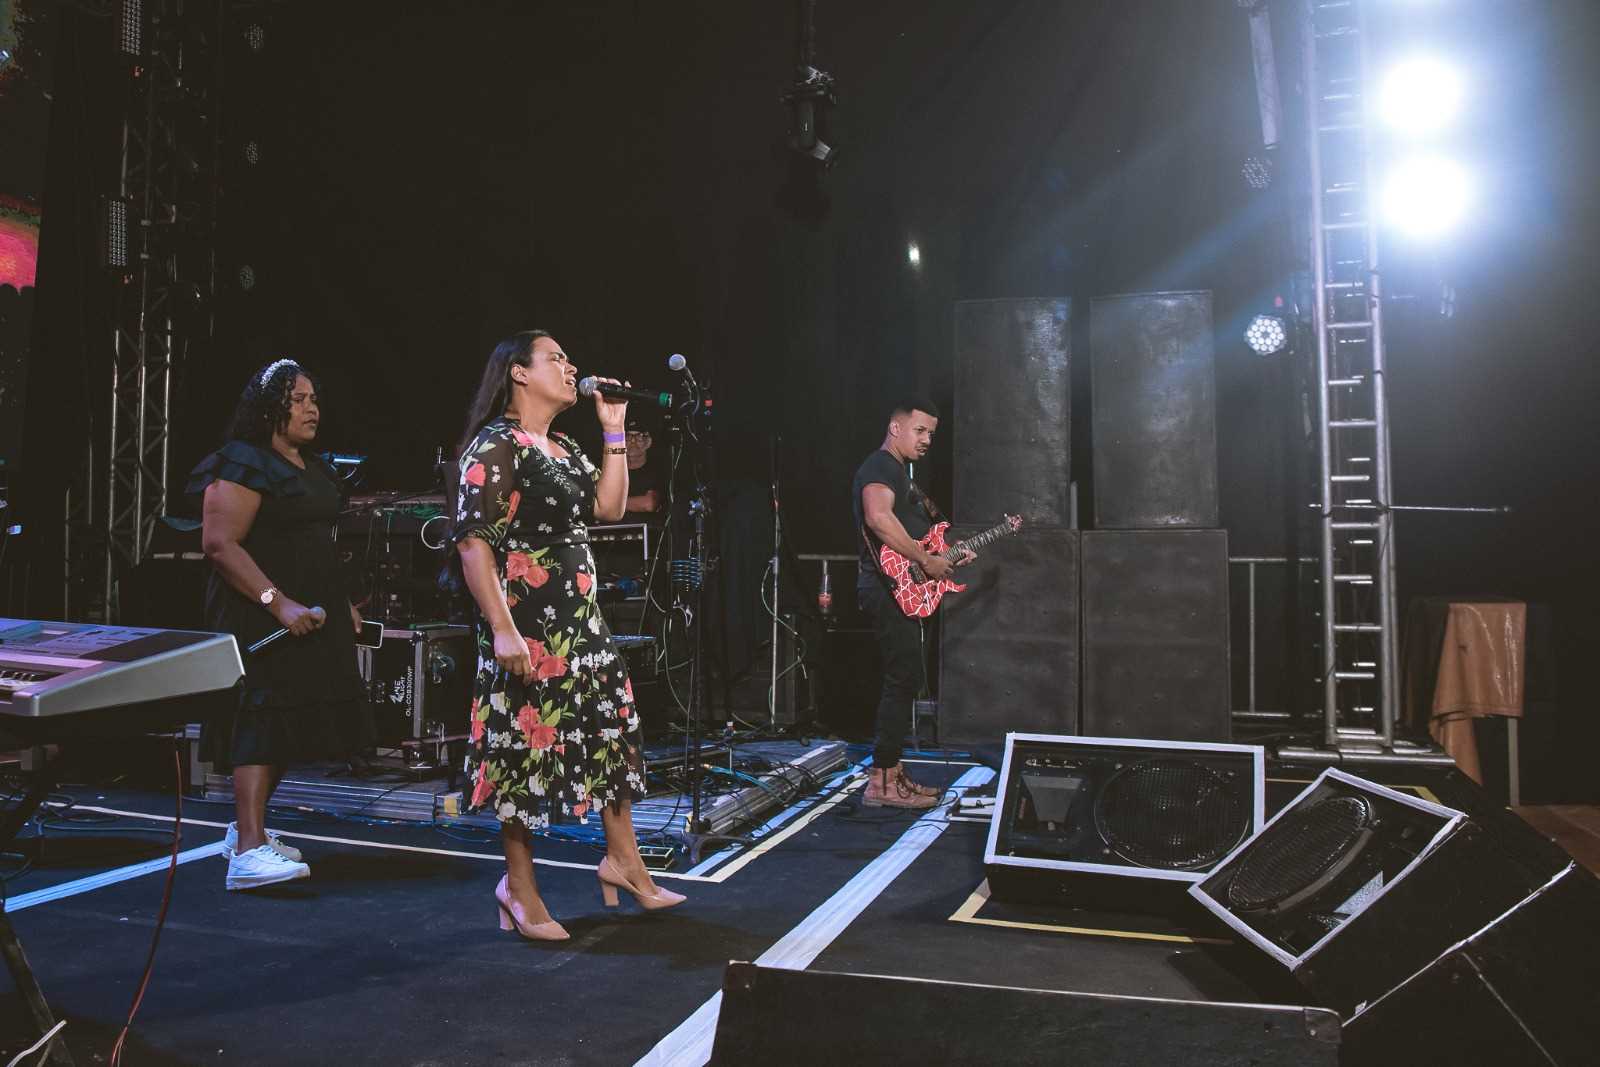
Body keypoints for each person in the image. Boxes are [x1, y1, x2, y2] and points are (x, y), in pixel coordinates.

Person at [451, 329, 685, 942]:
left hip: (582, 624)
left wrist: (614, 427)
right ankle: (518, 888)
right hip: (528, 627)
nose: (569, 366)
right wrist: (502, 630)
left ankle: (624, 861)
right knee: (522, 752)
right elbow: (473, 542)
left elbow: (610, 508)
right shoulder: (497, 445)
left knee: (611, 732)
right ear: (518, 373)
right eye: (555, 358)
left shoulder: (561, 447)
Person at [190, 359, 370, 890]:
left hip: (312, 613)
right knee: (260, 722)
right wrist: (278, 602)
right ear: (271, 408)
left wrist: (342, 603)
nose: (312, 409)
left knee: (291, 721)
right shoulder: (244, 462)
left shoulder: (308, 466)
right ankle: (247, 852)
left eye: (314, 400)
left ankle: (248, 832)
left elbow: (316, 543)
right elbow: (219, 544)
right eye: (298, 400)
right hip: (259, 611)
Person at [852, 400, 973, 809]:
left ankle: (891, 770)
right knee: (901, 677)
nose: (926, 441)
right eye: (919, 431)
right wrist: (925, 560)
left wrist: (944, 555)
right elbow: (878, 517)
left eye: (931, 434)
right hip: (885, 587)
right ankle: (882, 783)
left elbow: (912, 531)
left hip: (898, 585)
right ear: (895, 427)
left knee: (905, 678)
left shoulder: (900, 474)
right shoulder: (881, 466)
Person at [622, 419, 666, 516]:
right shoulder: (612, 470)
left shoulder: (658, 470)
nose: (633, 441)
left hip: (648, 525)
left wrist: (611, 504)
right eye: (628, 436)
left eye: (639, 437)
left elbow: (649, 504)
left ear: (648, 442)